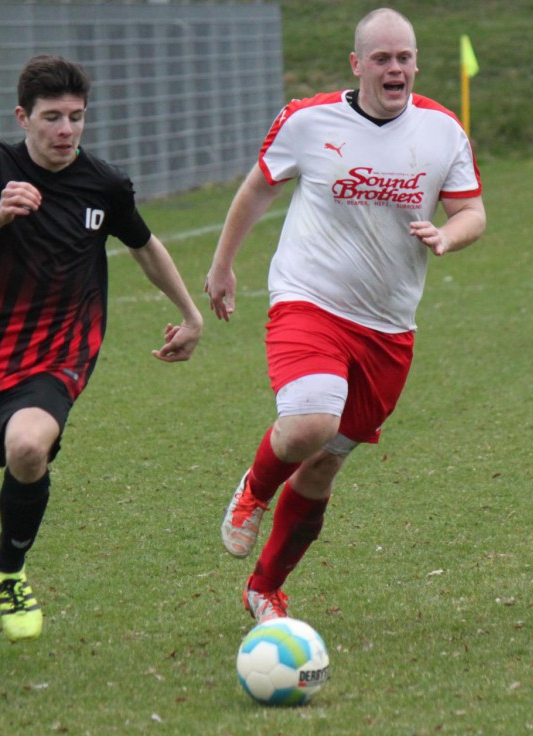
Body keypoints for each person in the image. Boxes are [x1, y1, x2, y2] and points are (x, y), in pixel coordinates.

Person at [0, 55, 205, 668]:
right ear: (23, 117)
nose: (66, 130)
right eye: (51, 118)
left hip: (58, 351)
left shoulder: (103, 183)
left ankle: (9, 571)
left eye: (76, 117)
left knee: (27, 448)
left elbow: (144, 244)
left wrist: (191, 313)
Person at [204, 8, 485, 623]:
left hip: (389, 326)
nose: (395, 68)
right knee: (309, 423)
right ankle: (253, 491)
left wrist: (447, 235)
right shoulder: (309, 119)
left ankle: (265, 588)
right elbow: (258, 187)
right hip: (310, 299)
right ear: (357, 65)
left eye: (404, 57)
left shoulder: (442, 131)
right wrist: (223, 266)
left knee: (325, 464)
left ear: (416, 63)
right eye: (381, 58)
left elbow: (474, 212)